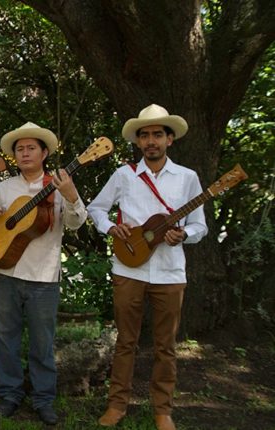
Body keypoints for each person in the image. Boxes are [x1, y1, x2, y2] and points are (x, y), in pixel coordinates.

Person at [87, 104, 208, 430]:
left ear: (170, 139)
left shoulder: (187, 178)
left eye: (157, 134)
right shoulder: (124, 175)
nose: (151, 141)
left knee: (165, 346)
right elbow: (96, 208)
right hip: (128, 269)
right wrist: (111, 227)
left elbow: (200, 226)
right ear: (138, 141)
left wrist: (184, 235)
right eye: (145, 136)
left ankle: (163, 410)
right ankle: (117, 405)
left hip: (170, 271)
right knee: (126, 341)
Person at [0, 122, 87, 424]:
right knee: (6, 338)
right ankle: (9, 394)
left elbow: (76, 223)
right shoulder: (5, 187)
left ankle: (43, 399)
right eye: (20, 149)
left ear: (44, 153)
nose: (25, 153)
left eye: (31, 148)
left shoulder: (58, 184)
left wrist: (71, 195)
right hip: (5, 272)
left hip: (43, 277)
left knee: (42, 343)